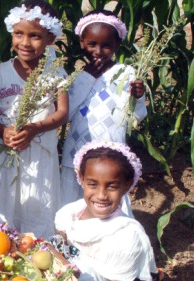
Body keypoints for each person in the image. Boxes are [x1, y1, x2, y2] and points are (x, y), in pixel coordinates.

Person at [0, 0, 67, 238]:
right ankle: (2, 243)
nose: (25, 42)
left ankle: (38, 246)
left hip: (40, 153)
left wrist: (33, 128)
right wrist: (2, 131)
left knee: (38, 201)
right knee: (4, 200)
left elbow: (62, 113)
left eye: (35, 36)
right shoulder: (1, 72)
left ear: (50, 39)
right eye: (19, 33)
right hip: (5, 150)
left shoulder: (55, 73)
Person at [60, 9, 147, 213]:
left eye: (106, 45)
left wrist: (138, 97)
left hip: (111, 152)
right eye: (92, 44)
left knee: (108, 196)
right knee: (73, 202)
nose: (98, 51)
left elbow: (136, 117)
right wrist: (86, 78)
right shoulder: (77, 76)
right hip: (76, 150)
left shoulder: (126, 74)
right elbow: (66, 114)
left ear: (117, 45)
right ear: (82, 42)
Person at [54, 141, 159, 281]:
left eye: (112, 187)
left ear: (126, 186)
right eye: (92, 184)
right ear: (81, 179)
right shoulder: (68, 214)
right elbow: (60, 249)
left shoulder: (126, 238)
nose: (101, 195)